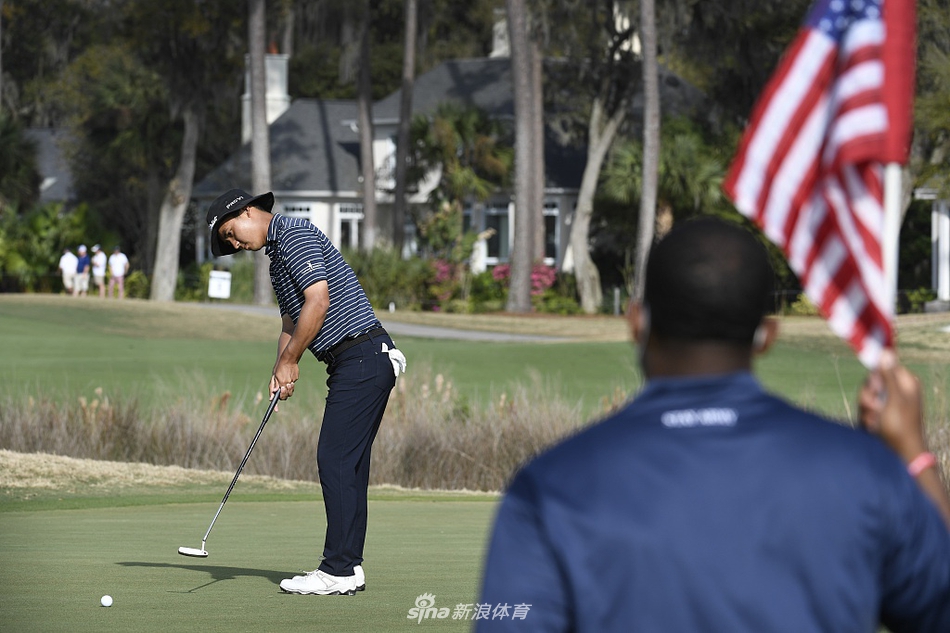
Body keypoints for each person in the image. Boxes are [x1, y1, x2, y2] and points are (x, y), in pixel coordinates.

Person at [477, 218, 950, 632]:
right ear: (767, 336)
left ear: (637, 323)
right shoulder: (864, 471)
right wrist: (913, 455)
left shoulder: (554, 486)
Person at [206, 188, 406, 596]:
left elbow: (318, 301)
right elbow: (289, 322)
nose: (234, 243)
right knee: (349, 467)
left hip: (363, 356)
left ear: (248, 211)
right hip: (357, 361)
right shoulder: (277, 259)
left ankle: (336, 569)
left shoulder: (294, 233)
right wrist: (281, 370)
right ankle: (348, 568)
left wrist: (292, 360)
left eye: (231, 232)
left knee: (334, 459)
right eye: (228, 241)